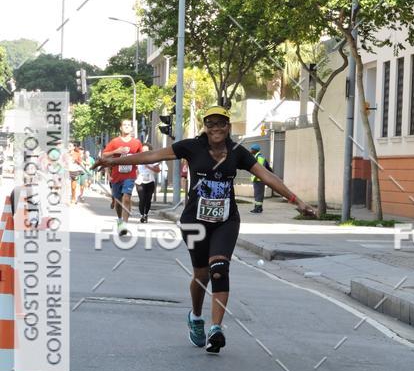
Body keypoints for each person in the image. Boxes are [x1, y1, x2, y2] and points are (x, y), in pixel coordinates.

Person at [95, 105, 316, 354]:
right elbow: (151, 156)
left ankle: (216, 329)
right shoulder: (191, 147)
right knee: (201, 275)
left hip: (225, 221)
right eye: (210, 123)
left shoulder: (237, 152)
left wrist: (297, 201)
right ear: (205, 127)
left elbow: (267, 176)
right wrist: (114, 160)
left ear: (228, 127)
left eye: (221, 123)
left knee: (219, 269)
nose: (216, 128)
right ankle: (196, 317)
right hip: (194, 221)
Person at [102, 119, 143, 236]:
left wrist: (139, 170)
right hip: (116, 176)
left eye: (128, 125)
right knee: (118, 201)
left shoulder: (137, 143)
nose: (126, 127)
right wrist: (117, 151)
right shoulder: (115, 142)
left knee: (126, 198)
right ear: (120, 128)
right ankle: (120, 219)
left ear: (131, 128)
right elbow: (104, 155)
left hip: (130, 175)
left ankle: (124, 225)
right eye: (124, 125)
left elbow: (142, 156)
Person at [135, 144, 160, 223]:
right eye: (143, 150)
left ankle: (146, 214)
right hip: (140, 181)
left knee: (148, 199)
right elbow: (136, 169)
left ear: (150, 150)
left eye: (146, 150)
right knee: (142, 199)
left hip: (150, 181)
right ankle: (142, 215)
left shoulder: (153, 159)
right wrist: (136, 177)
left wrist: (148, 166)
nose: (144, 151)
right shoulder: (138, 158)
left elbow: (158, 170)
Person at [249, 143, 273, 214]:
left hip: (258, 179)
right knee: (257, 194)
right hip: (257, 179)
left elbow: (259, 169)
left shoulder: (259, 157)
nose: (250, 150)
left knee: (258, 194)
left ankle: (258, 208)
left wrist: (258, 177)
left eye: (251, 149)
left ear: (254, 150)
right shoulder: (257, 156)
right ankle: (258, 207)